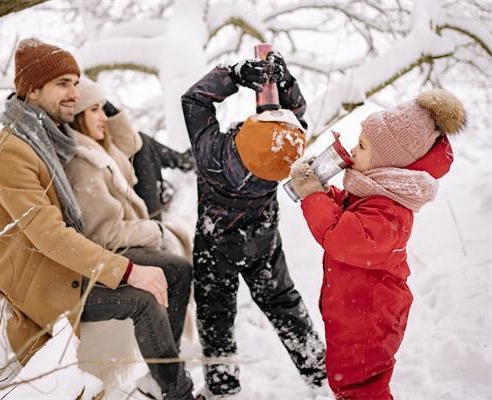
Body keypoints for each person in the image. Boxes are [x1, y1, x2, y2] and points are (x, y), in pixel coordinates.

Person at [0, 38, 197, 400]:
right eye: (62, 84)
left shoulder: (51, 137)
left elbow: (128, 142)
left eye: (76, 83)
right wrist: (128, 271)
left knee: (172, 270)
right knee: (143, 297)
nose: (73, 93)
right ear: (32, 91)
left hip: (64, 268)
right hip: (39, 285)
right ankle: (178, 394)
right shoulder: (10, 150)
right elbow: (48, 234)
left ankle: (164, 387)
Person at [288, 89, 466, 399]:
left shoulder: (390, 211)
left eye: (362, 146)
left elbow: (343, 237)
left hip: (370, 320)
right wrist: (324, 191)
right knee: (350, 385)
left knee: (362, 390)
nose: (353, 151)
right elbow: (351, 216)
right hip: (356, 312)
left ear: (386, 161)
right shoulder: (376, 195)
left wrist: (313, 197)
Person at [181, 53, 327, 397]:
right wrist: (284, 81)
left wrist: (234, 76)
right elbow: (295, 119)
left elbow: (194, 100)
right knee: (285, 305)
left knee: (215, 317)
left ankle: (223, 387)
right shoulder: (283, 160)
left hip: (215, 247)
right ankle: (320, 373)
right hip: (262, 242)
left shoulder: (214, 155)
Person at [64, 77, 194, 396]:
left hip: (122, 243)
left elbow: (133, 143)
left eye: (103, 110)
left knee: (177, 269)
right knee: (176, 270)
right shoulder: (83, 162)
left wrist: (105, 105)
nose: (103, 118)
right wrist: (155, 230)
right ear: (78, 115)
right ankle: (172, 385)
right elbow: (104, 236)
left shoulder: (99, 150)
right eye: (93, 110)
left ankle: (165, 377)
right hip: (105, 255)